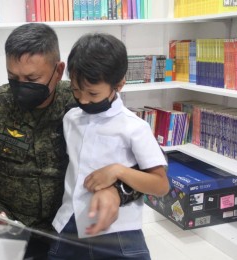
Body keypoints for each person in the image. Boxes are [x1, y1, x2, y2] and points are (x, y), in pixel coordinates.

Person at [0, 24, 137, 260]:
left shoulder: (83, 99)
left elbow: (139, 165)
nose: (21, 85)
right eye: (13, 77)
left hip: (68, 218)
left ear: (58, 71)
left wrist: (116, 192)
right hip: (5, 219)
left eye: (32, 78)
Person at [48, 33, 170, 260]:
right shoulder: (70, 119)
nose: (83, 100)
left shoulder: (135, 127)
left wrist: (118, 170)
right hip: (69, 223)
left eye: (93, 93)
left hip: (118, 231)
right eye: (76, 90)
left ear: (120, 84)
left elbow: (161, 184)